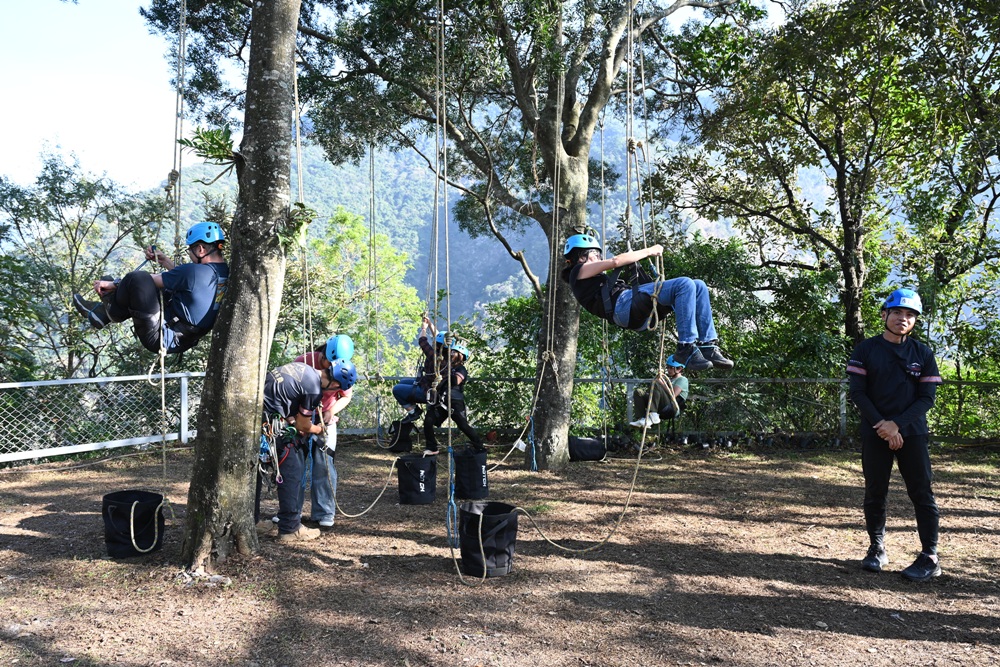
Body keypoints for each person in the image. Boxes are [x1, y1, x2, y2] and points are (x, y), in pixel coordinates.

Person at [847, 288, 943, 581]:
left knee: (922, 493)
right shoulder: (865, 350)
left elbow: (927, 398)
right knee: (875, 491)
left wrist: (897, 425)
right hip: (875, 432)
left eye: (910, 314)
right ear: (884, 315)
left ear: (915, 320)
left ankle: (930, 557)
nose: (903, 318)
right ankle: (876, 548)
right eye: (898, 312)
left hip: (912, 433)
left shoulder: (923, 353)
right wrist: (883, 426)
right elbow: (858, 393)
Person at [560, 232, 732, 372]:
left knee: (698, 286)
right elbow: (615, 261)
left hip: (630, 306)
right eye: (590, 255)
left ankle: (708, 345)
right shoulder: (577, 272)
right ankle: (685, 347)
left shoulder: (595, 278)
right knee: (684, 284)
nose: (596, 258)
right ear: (578, 258)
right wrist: (650, 251)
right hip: (622, 307)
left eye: (598, 254)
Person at [72, 222, 229, 354]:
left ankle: (110, 313)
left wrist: (112, 284)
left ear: (200, 249)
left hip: (161, 336)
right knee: (158, 286)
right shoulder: (223, 272)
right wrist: (164, 261)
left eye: (190, 250)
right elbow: (187, 280)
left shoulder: (194, 272)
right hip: (184, 338)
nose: (189, 254)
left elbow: (149, 281)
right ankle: (103, 313)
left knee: (137, 278)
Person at [261, 360, 349, 542]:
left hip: (261, 416)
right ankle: (290, 528)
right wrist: (318, 429)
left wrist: (293, 421)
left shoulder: (304, 369)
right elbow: (303, 425)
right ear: (334, 384)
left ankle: (251, 520)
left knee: (254, 473)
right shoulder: (313, 389)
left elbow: (282, 397)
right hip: (272, 424)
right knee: (293, 471)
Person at [294, 337, 356, 528]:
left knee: (324, 464)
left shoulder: (344, 369)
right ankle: (291, 511)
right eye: (331, 363)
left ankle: (324, 512)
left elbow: (346, 396)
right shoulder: (304, 361)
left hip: (325, 417)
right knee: (295, 464)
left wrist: (331, 411)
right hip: (299, 416)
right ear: (325, 356)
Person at [422, 339, 486, 456]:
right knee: (428, 421)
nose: (451, 354)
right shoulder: (446, 366)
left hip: (455, 402)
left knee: (463, 426)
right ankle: (432, 447)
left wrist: (445, 376)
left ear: (460, 356)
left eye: (454, 352)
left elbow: (456, 381)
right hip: (442, 401)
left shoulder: (461, 369)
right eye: (451, 352)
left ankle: (480, 447)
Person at [391, 315, 448, 425]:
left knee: (397, 389)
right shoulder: (447, 353)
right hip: (427, 383)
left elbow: (423, 342)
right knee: (403, 381)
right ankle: (413, 407)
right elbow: (439, 337)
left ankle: (413, 411)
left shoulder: (436, 357)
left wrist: (423, 329)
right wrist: (430, 324)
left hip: (430, 392)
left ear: (438, 345)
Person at [630, 355, 688, 428]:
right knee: (638, 392)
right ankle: (643, 419)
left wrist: (661, 383)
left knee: (656, 383)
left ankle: (653, 413)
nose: (668, 370)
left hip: (671, 407)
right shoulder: (668, 379)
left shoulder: (682, 380)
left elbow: (673, 395)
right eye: (668, 367)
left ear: (679, 369)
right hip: (660, 405)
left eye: (671, 368)